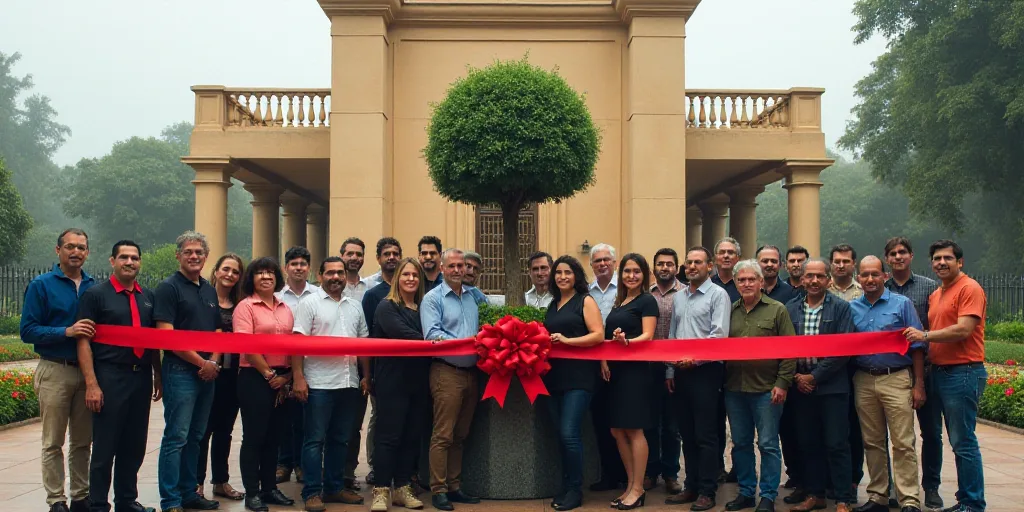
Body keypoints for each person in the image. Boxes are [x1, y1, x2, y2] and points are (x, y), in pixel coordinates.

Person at [75, 240, 161, 512]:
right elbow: (83, 341)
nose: (129, 262)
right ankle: (99, 503)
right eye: (123, 257)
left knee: (135, 443)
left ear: (140, 262)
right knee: (105, 445)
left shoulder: (147, 296)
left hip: (140, 378)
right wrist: (92, 384)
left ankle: (126, 500)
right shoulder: (95, 295)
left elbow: (154, 340)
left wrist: (157, 375)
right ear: (112, 261)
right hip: (110, 376)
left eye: (135, 258)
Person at [904, 240, 988, 512]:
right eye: (937, 258)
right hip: (938, 372)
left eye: (947, 258)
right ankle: (965, 498)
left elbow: (963, 330)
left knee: (963, 441)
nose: (941, 263)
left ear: (959, 262)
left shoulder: (969, 288)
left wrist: (924, 336)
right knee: (946, 437)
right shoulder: (938, 293)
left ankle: (973, 503)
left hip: (963, 371)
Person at [21, 228, 96, 512]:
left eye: (81, 247)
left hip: (88, 373)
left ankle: (80, 496)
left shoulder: (94, 286)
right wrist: (66, 331)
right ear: (58, 251)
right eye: (70, 247)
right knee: (53, 441)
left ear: (87, 252)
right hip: (55, 369)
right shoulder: (41, 285)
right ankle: (56, 500)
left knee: (82, 441)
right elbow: (28, 330)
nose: (75, 252)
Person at [849, 256, 926, 512]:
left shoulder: (902, 304)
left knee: (903, 442)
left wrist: (918, 385)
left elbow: (916, 346)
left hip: (896, 377)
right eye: (864, 275)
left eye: (875, 274)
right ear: (858, 279)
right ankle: (878, 496)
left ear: (884, 276)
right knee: (872, 441)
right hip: (863, 378)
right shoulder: (852, 308)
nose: (870, 279)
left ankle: (909, 500)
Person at [291, 256, 367, 511]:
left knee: (341, 439)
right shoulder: (310, 303)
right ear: (320, 275)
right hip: (319, 384)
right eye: (330, 272)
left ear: (346, 276)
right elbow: (297, 344)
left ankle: (334, 488)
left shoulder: (355, 305)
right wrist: (298, 377)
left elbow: (363, 345)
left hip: (348, 382)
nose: (336, 277)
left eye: (340, 273)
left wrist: (365, 376)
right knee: (314, 440)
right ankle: (312, 492)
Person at [154, 231, 222, 512]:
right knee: (176, 437)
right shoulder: (168, 288)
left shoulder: (208, 289)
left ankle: (189, 493)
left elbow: (219, 331)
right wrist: (201, 363)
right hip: (180, 371)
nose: (194, 256)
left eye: (199, 252)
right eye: (188, 252)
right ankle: (171, 500)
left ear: (206, 257)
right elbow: (167, 335)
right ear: (178, 255)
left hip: (208, 373)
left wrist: (214, 362)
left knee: (196, 436)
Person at [723, 259, 796, 512]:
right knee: (741, 443)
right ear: (735, 283)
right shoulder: (729, 311)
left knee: (767, 444)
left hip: (767, 390)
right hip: (734, 389)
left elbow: (790, 351)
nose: (746, 284)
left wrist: (782, 383)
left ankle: (767, 495)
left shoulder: (777, 310)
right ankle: (745, 492)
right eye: (741, 280)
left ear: (761, 282)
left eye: (751, 279)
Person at [784, 258, 856, 512]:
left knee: (837, 443)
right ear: (802, 279)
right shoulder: (790, 309)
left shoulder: (841, 309)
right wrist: (797, 377)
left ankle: (843, 499)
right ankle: (815, 494)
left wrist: (814, 377)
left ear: (828, 279)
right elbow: (783, 348)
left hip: (832, 387)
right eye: (809, 276)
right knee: (809, 442)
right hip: (800, 387)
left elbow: (843, 349)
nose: (814, 281)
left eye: (820, 276)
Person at [663, 247, 731, 511]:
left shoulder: (718, 295)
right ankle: (690, 486)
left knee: (706, 435)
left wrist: (696, 360)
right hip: (680, 373)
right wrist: (670, 370)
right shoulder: (679, 298)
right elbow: (672, 334)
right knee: (687, 433)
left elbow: (719, 336)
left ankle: (707, 491)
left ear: (709, 266)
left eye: (698, 262)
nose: (692, 267)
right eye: (689, 263)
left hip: (706, 372)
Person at [883, 237, 943, 510]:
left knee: (930, 431)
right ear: (887, 259)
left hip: (924, 370)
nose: (898, 257)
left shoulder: (929, 288)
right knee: (892, 436)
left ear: (911, 256)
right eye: (893, 254)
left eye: (902, 253)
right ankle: (897, 487)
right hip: (891, 372)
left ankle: (931, 486)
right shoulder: (878, 288)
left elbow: (934, 327)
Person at [369, 257, 432, 511]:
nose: (410, 279)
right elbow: (406, 336)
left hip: (418, 381)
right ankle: (381, 490)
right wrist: (433, 341)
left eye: (415, 276)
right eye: (406, 275)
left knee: (411, 436)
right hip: (391, 381)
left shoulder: (423, 308)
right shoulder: (387, 307)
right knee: (388, 437)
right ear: (397, 279)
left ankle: (402, 488)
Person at [233, 257, 296, 512]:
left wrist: (287, 377)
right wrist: (270, 376)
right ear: (252, 278)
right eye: (260, 273)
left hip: (282, 378)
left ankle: (270, 488)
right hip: (255, 378)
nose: (266, 277)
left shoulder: (285, 307)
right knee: (255, 437)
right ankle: (252, 492)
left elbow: (293, 345)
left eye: (270, 272)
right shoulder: (245, 307)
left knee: (275, 437)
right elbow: (246, 346)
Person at [421, 248, 481, 511]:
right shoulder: (433, 299)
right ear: (443, 269)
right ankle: (439, 489)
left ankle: (455, 487)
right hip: (446, 372)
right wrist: (469, 344)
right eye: (453, 266)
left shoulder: (474, 298)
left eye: (463, 266)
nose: (459, 270)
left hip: (471, 374)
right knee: (443, 435)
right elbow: (433, 334)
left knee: (460, 434)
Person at [542, 255, 604, 511]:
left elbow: (598, 335)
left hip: (580, 378)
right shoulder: (553, 304)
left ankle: (576, 489)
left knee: (570, 434)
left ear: (576, 276)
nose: (562, 276)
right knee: (560, 435)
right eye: (558, 272)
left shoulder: (585, 301)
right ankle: (566, 485)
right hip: (554, 378)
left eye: (567, 272)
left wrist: (567, 342)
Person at [602, 253, 659, 511]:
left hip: (635, 373)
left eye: (637, 271)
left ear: (644, 275)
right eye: (627, 271)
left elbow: (647, 335)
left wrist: (626, 342)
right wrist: (604, 360)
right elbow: (607, 339)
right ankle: (630, 484)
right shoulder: (619, 302)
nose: (631, 275)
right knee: (617, 430)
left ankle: (638, 488)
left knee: (634, 429)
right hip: (615, 373)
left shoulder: (647, 301)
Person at [197, 254, 245, 502]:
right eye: (226, 269)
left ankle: (221, 481)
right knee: (202, 431)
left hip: (232, 375)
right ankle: (196, 483)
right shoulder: (202, 298)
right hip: (205, 372)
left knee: (224, 430)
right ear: (216, 271)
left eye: (235, 272)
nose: (230, 275)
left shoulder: (242, 304)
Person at [755, 245, 799, 495]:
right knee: (746, 441)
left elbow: (790, 342)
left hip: (783, 377)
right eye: (764, 260)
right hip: (748, 382)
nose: (769, 264)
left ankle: (793, 478)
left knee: (785, 434)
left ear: (779, 265)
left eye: (773, 261)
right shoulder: (738, 302)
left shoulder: (791, 294)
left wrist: (785, 379)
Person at [275, 246, 318, 486]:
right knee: (283, 418)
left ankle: (302, 465)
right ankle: (283, 463)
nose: (298, 268)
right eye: (294, 264)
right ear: (286, 268)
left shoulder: (317, 294)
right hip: (281, 365)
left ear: (309, 268)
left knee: (304, 418)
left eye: (303, 264)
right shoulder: (277, 296)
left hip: (308, 365)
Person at [586, 243, 626, 493]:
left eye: (606, 260)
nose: (602, 264)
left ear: (615, 262)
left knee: (625, 420)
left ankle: (631, 475)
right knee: (601, 421)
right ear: (591, 265)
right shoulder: (586, 291)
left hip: (623, 364)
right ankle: (609, 474)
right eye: (597, 261)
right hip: (593, 365)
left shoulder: (625, 288)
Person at [645, 248, 684, 494]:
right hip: (648, 368)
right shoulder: (645, 294)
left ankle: (670, 473)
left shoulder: (685, 294)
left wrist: (672, 368)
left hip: (677, 368)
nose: (665, 268)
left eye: (669, 264)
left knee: (672, 426)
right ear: (654, 268)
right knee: (649, 423)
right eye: (660, 264)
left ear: (677, 268)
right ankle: (650, 472)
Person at [340, 238, 376, 491]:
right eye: (350, 253)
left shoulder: (371, 288)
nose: (354, 257)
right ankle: (326, 474)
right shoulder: (327, 288)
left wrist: (367, 373)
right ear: (342, 255)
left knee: (354, 425)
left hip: (360, 367)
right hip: (328, 368)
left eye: (358, 254)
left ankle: (346, 473)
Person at [711, 237, 741, 482]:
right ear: (715, 258)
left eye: (731, 252)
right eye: (722, 252)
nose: (727, 256)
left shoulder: (744, 285)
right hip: (713, 365)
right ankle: (717, 466)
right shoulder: (707, 286)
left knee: (740, 423)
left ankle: (740, 468)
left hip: (741, 365)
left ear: (737, 258)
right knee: (715, 419)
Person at [362, 238, 403, 333]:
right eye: (387, 254)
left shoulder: (409, 288)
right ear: (378, 258)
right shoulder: (371, 294)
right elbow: (367, 330)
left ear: (400, 257)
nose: (392, 257)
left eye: (395, 254)